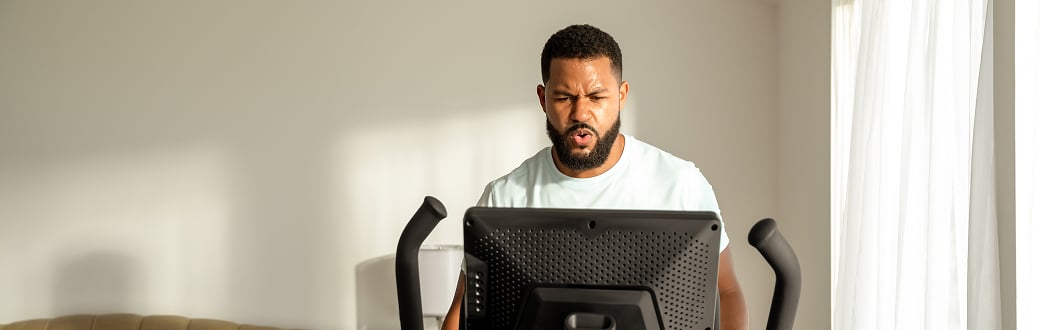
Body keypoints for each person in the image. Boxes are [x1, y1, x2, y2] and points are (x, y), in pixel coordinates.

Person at [440, 24, 748, 330]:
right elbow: (461, 311)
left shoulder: (681, 183)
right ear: (542, 98)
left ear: (621, 95)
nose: (580, 113)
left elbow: (728, 291)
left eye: (596, 97)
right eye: (564, 98)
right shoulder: (505, 197)